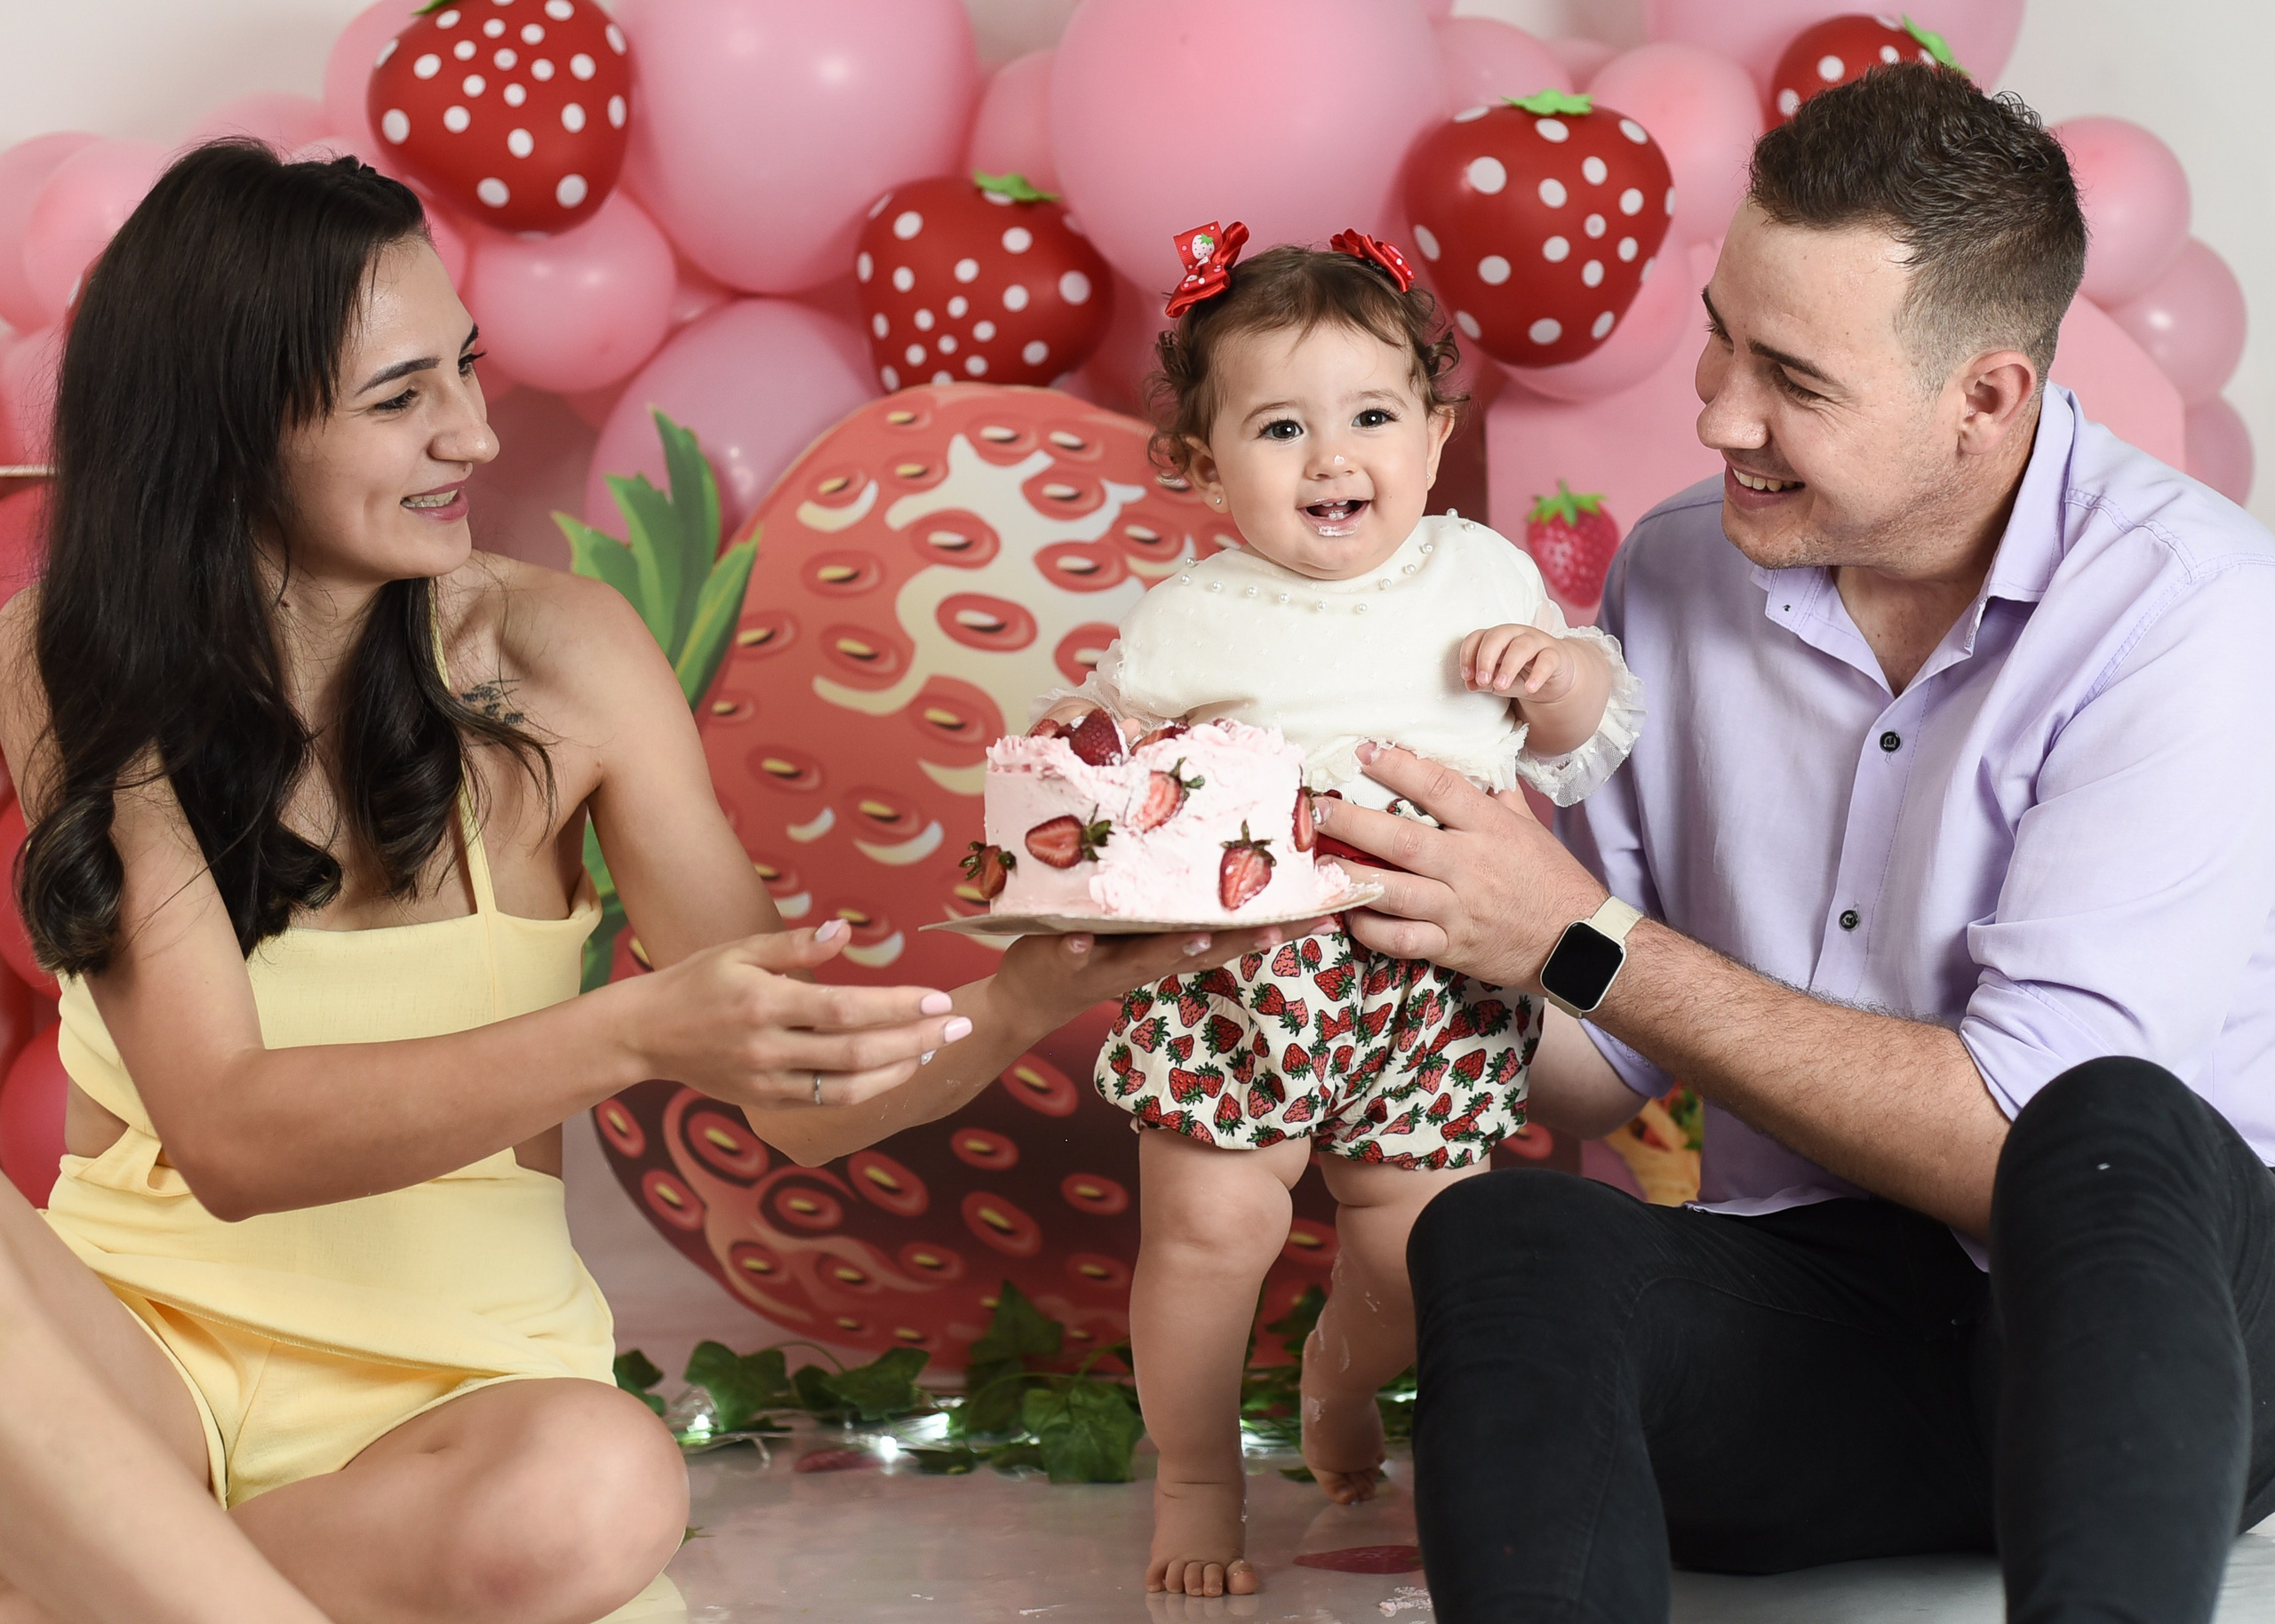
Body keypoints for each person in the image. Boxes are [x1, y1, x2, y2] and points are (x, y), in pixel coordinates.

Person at [0, 141, 1297, 1624]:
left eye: (469, 373)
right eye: (401, 398)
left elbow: (795, 1096)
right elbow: (230, 1138)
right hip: (125, 1383)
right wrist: (632, 1030)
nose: (478, 437)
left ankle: (81, 1590)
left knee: (605, 1484)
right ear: (230, 430)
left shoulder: (568, 659)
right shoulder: (70, 655)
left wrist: (1017, 999)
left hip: (462, 1424)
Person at [1310, 64, 2275, 1624]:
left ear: (1988, 399)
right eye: (1719, 333)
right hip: (1832, 1322)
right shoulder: (1680, 570)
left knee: (2114, 1125)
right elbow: (1594, 1063)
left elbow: (2015, 1137)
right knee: (1507, 1233)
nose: (1715, 411)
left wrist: (1571, 937)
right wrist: (1372, 917)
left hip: (2158, 1334)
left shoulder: (2193, 609)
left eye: (1794, 380)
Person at [1027, 228, 1642, 1599]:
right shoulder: (1188, 617)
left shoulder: (1480, 576)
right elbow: (1085, 773)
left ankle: (1334, 1377)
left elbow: (1592, 732)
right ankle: (1195, 1474)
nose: (1332, 458)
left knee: (1420, 1254)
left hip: (1434, 975)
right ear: (1199, 466)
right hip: (1235, 977)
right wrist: (1088, 778)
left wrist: (1550, 676)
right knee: (1210, 1233)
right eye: (1279, 427)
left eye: (1372, 416)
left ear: (1434, 432)